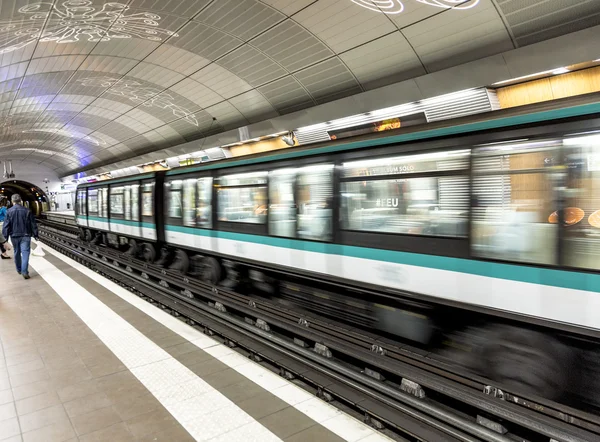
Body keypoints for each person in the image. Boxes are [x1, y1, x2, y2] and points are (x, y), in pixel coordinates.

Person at [2, 194, 38, 279]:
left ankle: (19, 269)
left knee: (17, 252)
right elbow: (33, 224)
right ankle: (24, 271)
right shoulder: (27, 210)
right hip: (26, 235)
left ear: (12, 201)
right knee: (25, 253)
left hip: (14, 236)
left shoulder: (9, 211)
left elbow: (6, 226)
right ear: (20, 200)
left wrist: (4, 240)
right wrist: (35, 235)